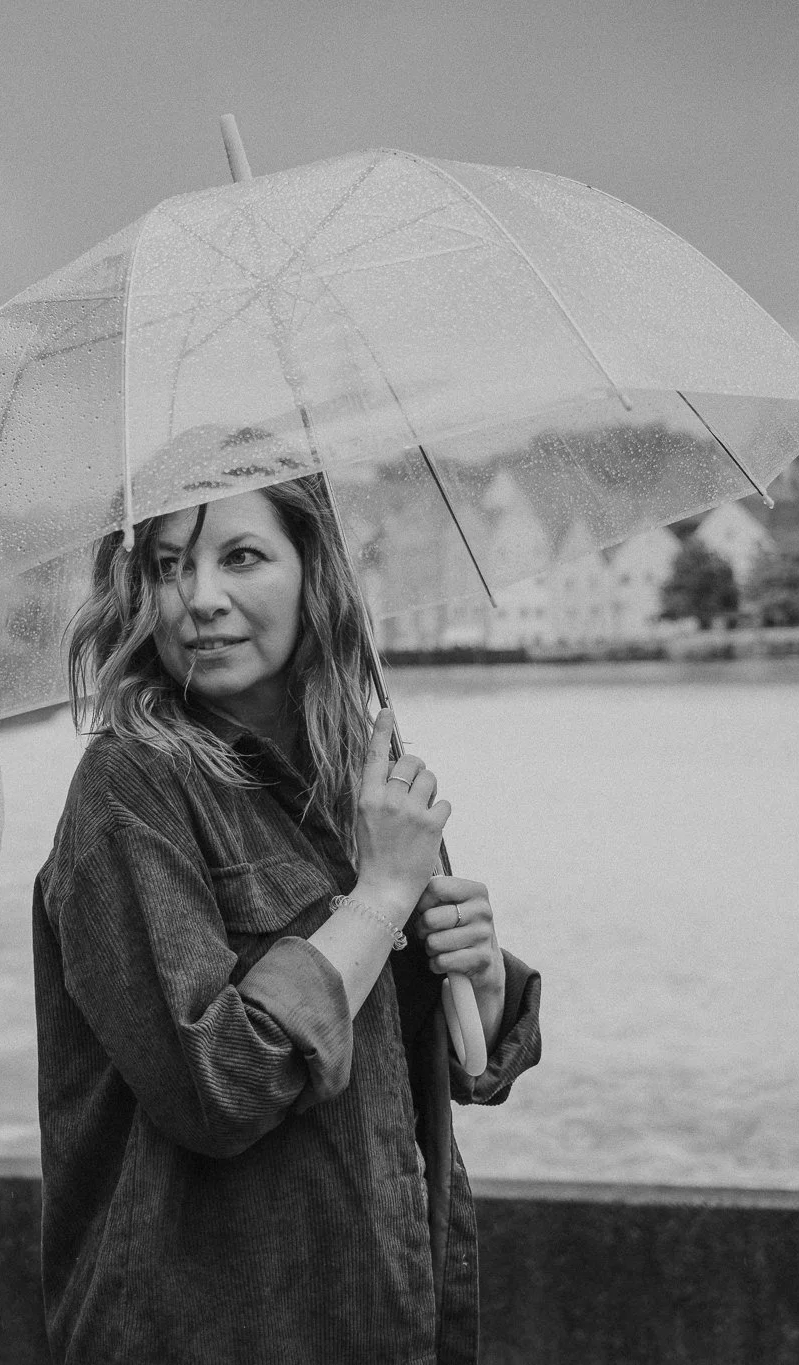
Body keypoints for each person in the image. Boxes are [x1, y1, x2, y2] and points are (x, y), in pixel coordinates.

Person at [31, 474, 544, 1363]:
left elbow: (433, 1071)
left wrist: (482, 983)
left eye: (241, 556)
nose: (200, 598)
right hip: (206, 1330)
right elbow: (214, 1083)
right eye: (168, 565)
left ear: (315, 569)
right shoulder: (129, 790)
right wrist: (380, 896)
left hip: (378, 1313)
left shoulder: (363, 778)